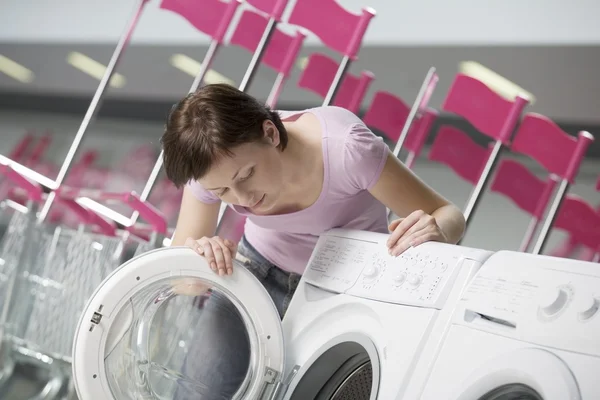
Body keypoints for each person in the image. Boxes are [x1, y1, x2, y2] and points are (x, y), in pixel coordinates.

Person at [161, 83, 466, 398]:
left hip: (346, 293)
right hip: (255, 276)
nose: (243, 199)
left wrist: (438, 231)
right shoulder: (210, 167)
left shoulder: (348, 150)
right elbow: (184, 282)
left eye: (247, 175)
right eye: (222, 192)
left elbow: (447, 213)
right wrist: (201, 261)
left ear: (271, 133)